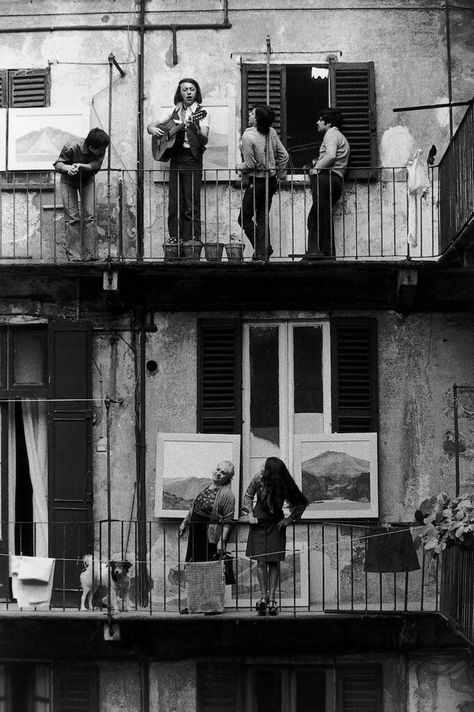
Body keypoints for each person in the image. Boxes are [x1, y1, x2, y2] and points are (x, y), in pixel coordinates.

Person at [147, 78, 209, 245]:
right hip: (176, 158)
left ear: (197, 93)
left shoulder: (202, 113)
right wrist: (151, 128)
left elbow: (204, 140)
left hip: (192, 159)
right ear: (179, 92)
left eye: (192, 89)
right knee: (174, 203)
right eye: (185, 89)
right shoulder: (174, 110)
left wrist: (195, 128)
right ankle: (175, 240)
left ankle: (192, 242)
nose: (188, 92)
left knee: (191, 203)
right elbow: (152, 125)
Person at [242, 457, 307, 616]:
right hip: (258, 525)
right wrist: (250, 514)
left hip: (276, 526)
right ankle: (263, 598)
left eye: (266, 466)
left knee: (274, 563)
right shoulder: (258, 478)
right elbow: (248, 496)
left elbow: (301, 503)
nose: (262, 468)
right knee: (261, 562)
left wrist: (288, 519)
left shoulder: (285, 482)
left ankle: (272, 599)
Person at [236, 104, 289, 260]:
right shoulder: (271, 132)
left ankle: (262, 250)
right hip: (270, 182)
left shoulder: (248, 136)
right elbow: (284, 156)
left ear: (257, 119)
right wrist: (280, 174)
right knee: (261, 218)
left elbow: (250, 165)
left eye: (252, 113)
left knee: (244, 219)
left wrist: (239, 166)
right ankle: (263, 251)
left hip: (257, 182)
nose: (249, 115)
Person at [53, 127, 110, 261]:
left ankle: (90, 254)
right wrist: (68, 168)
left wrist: (81, 166)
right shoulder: (71, 147)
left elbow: (95, 166)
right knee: (73, 217)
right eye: (101, 150)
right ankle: (74, 255)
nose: (103, 152)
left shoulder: (101, 147)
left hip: (87, 181)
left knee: (90, 216)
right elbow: (57, 164)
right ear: (91, 146)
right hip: (68, 182)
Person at [306, 108, 350, 259]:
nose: (317, 122)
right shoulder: (339, 136)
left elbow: (330, 156)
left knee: (318, 217)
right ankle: (319, 252)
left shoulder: (331, 134)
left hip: (326, 178)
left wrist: (316, 169)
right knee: (317, 216)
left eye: (320, 119)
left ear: (329, 122)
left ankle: (319, 253)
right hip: (335, 179)